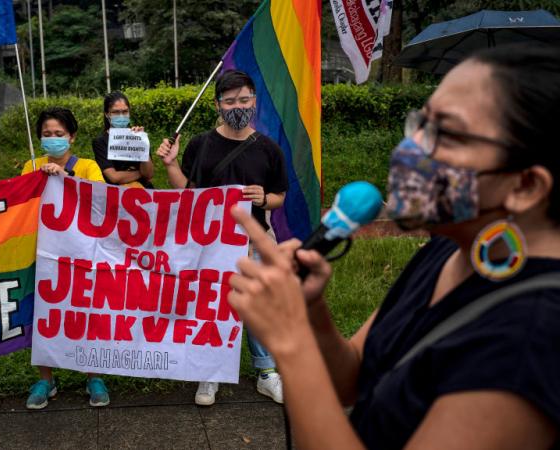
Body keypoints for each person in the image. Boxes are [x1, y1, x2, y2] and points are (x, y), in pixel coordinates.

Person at [227, 44, 560, 449]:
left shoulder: (531, 339)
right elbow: (350, 379)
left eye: (446, 133)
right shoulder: (450, 249)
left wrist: (288, 341)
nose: (410, 148)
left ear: (525, 186)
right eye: (420, 123)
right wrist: (310, 313)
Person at [156, 69, 288, 406]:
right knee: (210, 308)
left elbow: (279, 197)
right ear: (217, 105)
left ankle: (266, 372)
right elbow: (189, 193)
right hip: (209, 244)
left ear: (254, 101)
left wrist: (263, 198)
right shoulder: (201, 144)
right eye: (230, 101)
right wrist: (171, 165)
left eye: (244, 99)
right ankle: (209, 372)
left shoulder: (269, 149)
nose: (237, 106)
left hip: (252, 243)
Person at [21, 106, 109, 409]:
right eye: (47, 135)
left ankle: (93, 376)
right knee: (43, 316)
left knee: (85, 313)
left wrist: (66, 177)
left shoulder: (87, 166)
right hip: (42, 253)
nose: (53, 139)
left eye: (59, 134)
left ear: (71, 138)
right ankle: (46, 378)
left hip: (79, 254)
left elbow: (100, 200)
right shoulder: (30, 166)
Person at [92, 91, 154, 188]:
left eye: (125, 111)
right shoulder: (100, 142)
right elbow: (114, 177)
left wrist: (142, 145)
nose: (121, 116)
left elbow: (149, 174)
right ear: (107, 114)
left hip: (144, 192)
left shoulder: (138, 136)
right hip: (117, 195)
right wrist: (141, 173)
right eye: (116, 112)